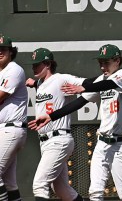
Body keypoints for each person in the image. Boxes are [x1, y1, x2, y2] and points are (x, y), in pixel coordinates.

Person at [30, 44, 122, 201]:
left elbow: (109, 84)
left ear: (117, 60)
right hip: (102, 143)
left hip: (121, 144)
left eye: (106, 62)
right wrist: (52, 116)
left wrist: (84, 88)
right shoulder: (101, 79)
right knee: (95, 192)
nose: (102, 66)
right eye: (100, 62)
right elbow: (78, 103)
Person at [26, 48, 85, 201]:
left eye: (37, 64)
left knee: (39, 184)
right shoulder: (41, 84)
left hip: (58, 139)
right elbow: (46, 88)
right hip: (46, 143)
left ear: (48, 64)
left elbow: (84, 84)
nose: (34, 67)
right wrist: (35, 84)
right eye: (33, 64)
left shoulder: (60, 79)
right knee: (61, 189)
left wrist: (82, 87)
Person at [0, 35, 27, 201]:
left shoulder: (14, 69)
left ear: (11, 51)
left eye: (3, 49)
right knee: (10, 183)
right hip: (4, 130)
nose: (0, 52)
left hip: (11, 129)